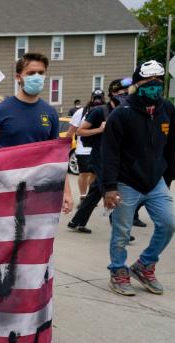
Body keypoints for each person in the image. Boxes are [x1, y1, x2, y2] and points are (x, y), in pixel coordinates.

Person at [102, 60, 175, 296]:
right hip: (126, 183)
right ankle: (118, 271)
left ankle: (145, 265)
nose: (154, 85)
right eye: (148, 81)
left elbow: (170, 148)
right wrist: (109, 187)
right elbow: (109, 153)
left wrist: (168, 178)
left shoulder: (168, 110)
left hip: (155, 182)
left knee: (168, 225)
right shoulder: (121, 114)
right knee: (122, 232)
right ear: (136, 84)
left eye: (159, 80)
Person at [0, 52, 72, 214]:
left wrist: (66, 191)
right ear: (19, 77)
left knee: (34, 237)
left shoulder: (50, 113)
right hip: (4, 188)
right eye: (31, 73)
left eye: (41, 73)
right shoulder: (0, 111)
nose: (37, 77)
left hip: (38, 189)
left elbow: (56, 157)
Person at [68, 81, 128, 234]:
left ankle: (77, 221)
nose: (125, 95)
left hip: (115, 158)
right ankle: (120, 230)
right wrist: (99, 129)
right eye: (121, 92)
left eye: (127, 91)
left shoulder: (126, 111)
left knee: (95, 191)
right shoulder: (100, 111)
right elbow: (80, 132)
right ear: (112, 94)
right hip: (99, 157)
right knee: (110, 190)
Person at [71, 89, 107, 203]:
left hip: (99, 149)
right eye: (95, 97)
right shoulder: (81, 112)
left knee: (94, 174)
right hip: (83, 148)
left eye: (100, 97)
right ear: (91, 98)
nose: (97, 100)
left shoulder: (107, 111)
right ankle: (82, 196)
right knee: (84, 173)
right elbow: (74, 130)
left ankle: (90, 197)